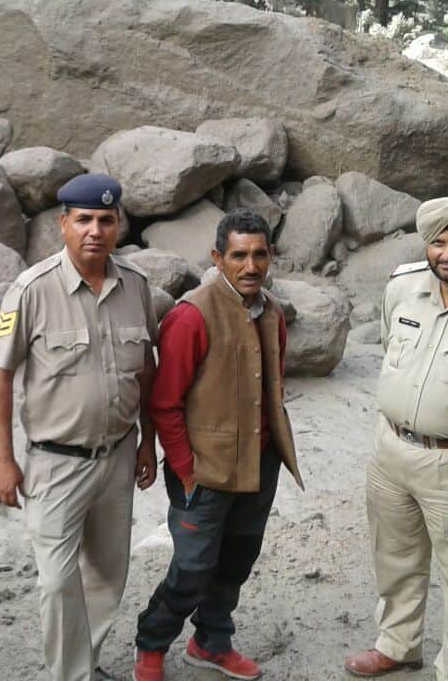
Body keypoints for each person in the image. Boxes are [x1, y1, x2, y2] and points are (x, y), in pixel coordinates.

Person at [0, 174, 158, 681]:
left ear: (119, 225)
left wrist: (146, 441)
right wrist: (3, 461)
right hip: (56, 463)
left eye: (106, 220)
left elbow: (147, 370)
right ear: (63, 225)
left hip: (119, 455)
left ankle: (86, 663)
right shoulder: (31, 291)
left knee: (108, 573)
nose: (95, 231)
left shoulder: (136, 286)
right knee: (58, 582)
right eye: (83, 220)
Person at [133, 209, 305, 681]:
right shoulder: (192, 315)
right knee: (192, 566)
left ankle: (211, 642)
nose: (250, 266)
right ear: (217, 258)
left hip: (260, 463)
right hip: (204, 471)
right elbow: (164, 403)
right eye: (238, 255)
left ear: (271, 256)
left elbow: (271, 386)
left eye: (259, 255)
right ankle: (151, 644)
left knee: (236, 560)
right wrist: (186, 471)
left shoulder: (271, 312)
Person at [346, 195, 448, 681]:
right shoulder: (403, 287)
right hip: (390, 449)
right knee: (393, 556)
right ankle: (397, 645)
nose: (447, 254)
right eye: (438, 243)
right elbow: (390, 343)